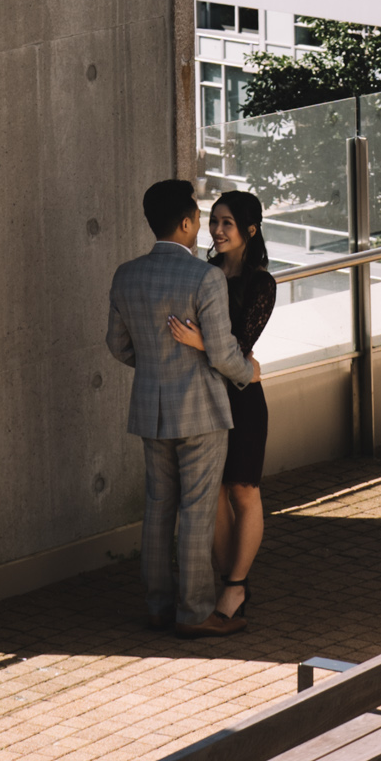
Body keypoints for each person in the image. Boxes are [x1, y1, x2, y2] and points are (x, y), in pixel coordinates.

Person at [104, 179, 257, 637]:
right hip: (202, 411)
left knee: (158, 507)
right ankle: (194, 613)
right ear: (188, 223)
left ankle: (158, 605)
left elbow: (117, 345)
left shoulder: (125, 274)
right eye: (199, 219)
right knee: (197, 509)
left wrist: (152, 362)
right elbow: (226, 355)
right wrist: (249, 373)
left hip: (151, 408)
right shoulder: (204, 277)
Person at [208, 190, 279, 624]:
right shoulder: (204, 272)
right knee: (214, 492)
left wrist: (200, 342)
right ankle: (230, 579)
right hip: (208, 394)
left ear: (250, 230)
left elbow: (237, 347)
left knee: (244, 490)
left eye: (226, 223)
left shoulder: (261, 284)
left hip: (243, 400)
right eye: (213, 221)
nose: (216, 230)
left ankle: (234, 589)